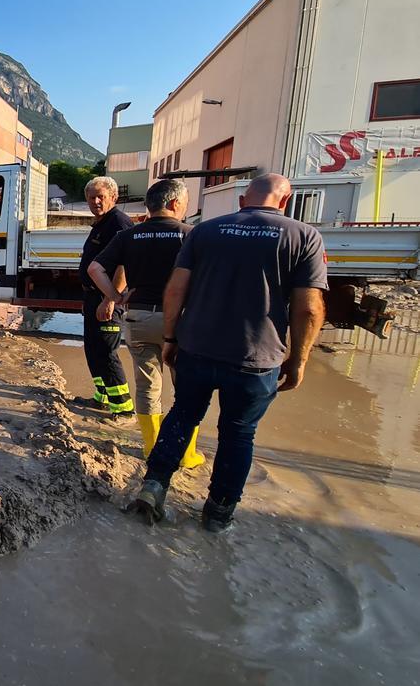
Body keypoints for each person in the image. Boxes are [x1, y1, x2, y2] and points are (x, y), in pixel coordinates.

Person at [130, 173, 328, 532]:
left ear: (242, 201)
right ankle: (218, 514)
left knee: (182, 415)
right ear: (285, 202)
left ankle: (154, 485)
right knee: (238, 434)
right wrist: (298, 360)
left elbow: (175, 290)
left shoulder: (205, 231)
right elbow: (309, 308)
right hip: (256, 359)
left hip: (197, 349)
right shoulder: (303, 236)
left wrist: (172, 339)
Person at [88, 179, 203, 468]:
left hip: (138, 317)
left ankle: (152, 449)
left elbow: (95, 268)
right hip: (179, 320)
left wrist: (114, 296)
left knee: (147, 384)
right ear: (175, 203)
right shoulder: (192, 234)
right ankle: (186, 454)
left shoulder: (130, 236)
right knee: (186, 387)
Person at [77, 176, 135, 420]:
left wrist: (110, 299)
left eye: (101, 196)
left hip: (107, 299)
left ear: (114, 198)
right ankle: (102, 397)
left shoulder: (119, 223)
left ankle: (123, 409)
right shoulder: (101, 223)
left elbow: (125, 265)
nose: (96, 201)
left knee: (106, 352)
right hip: (93, 298)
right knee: (93, 349)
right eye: (92, 197)